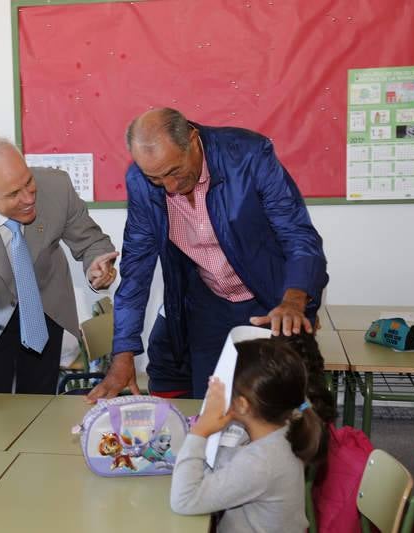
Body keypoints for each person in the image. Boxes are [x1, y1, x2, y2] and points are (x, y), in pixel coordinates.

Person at [88, 108, 328, 400]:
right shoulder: (140, 182)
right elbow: (137, 267)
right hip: (210, 305)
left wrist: (294, 299)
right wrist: (123, 353)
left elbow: (297, 235)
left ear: (192, 138)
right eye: (156, 179)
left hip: (270, 300)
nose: (171, 187)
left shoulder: (248, 155)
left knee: (274, 406)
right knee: (212, 403)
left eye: (175, 171)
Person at [0, 134, 117, 411]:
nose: (29, 197)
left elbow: (90, 240)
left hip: (45, 308)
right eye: (14, 194)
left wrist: (96, 264)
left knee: (39, 406)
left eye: (28, 182)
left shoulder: (57, 187)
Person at [170, 337, 324, 532]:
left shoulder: (261, 462)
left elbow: (184, 500)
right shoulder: (284, 426)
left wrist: (200, 431)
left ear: (243, 405)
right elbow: (223, 464)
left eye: (223, 381)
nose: (214, 382)